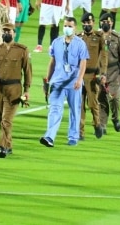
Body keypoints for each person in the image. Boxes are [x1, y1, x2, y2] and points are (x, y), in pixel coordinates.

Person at [0, 23, 32, 158]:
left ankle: (2, 147)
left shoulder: (22, 50)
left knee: (6, 120)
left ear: (14, 33)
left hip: (14, 89)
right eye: (4, 31)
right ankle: (8, 144)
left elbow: (27, 71)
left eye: (9, 31)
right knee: (0, 119)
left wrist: (27, 90)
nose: (6, 33)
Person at [40, 17, 88, 147]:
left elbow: (83, 62)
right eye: (66, 25)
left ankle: (73, 136)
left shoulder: (80, 44)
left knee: (75, 110)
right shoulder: (56, 42)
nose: (67, 28)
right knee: (54, 109)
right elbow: (52, 61)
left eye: (70, 26)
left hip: (74, 83)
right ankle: (49, 136)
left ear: (75, 28)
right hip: (58, 81)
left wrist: (79, 79)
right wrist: (47, 80)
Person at [78, 12, 107, 140]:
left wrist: (103, 73)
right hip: (79, 76)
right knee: (79, 105)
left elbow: (104, 55)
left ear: (93, 23)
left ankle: (97, 124)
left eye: (88, 23)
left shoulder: (99, 37)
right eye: (84, 23)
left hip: (92, 76)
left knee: (93, 104)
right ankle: (80, 132)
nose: (86, 25)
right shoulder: (78, 37)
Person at [98, 13, 120, 133]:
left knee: (114, 99)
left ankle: (115, 118)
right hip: (99, 72)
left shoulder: (117, 38)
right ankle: (103, 124)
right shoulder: (95, 37)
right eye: (103, 22)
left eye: (108, 22)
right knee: (102, 99)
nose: (106, 24)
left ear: (112, 23)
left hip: (114, 72)